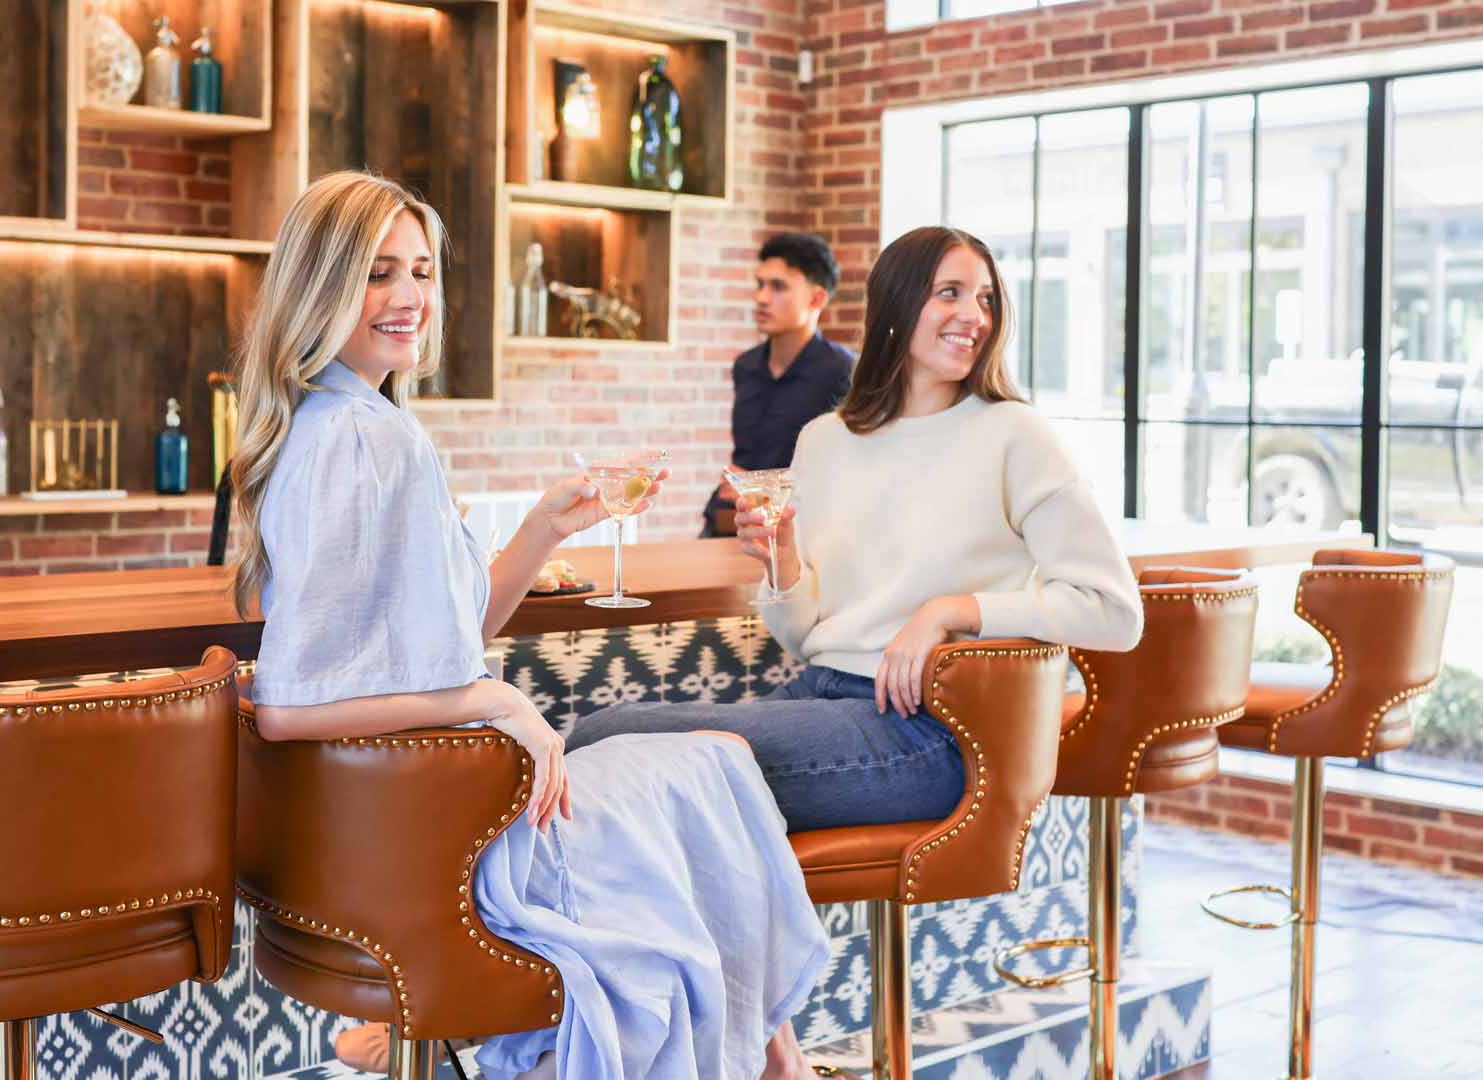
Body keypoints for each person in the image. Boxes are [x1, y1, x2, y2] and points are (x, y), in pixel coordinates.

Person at [231, 172, 831, 1080]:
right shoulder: (367, 439)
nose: (409, 297)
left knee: (710, 768)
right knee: (715, 772)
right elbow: (289, 708)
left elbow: (448, 634)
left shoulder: (343, 420)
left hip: (401, 824)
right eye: (377, 273)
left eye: (421, 272)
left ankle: (770, 1066)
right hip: (443, 842)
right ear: (319, 286)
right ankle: (766, 1066)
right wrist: (495, 701)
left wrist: (545, 528)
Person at [572, 226, 1145, 834]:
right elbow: (804, 639)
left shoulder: (1016, 435)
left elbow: (1114, 611)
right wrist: (782, 561)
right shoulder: (825, 441)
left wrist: (951, 611)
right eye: (949, 292)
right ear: (897, 303)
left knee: (612, 737)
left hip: (929, 729)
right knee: (607, 748)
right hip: (819, 693)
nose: (974, 316)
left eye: (986, 298)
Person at [702, 233, 854, 537]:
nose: (762, 297)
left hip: (800, 532)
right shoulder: (745, 366)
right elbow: (744, 461)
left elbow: (847, 473)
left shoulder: (845, 371)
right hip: (731, 523)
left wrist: (760, 489)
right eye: (760, 284)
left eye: (778, 287)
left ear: (817, 299)